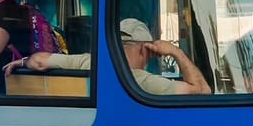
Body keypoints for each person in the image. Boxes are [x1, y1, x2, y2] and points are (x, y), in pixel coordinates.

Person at [14, 18, 210, 95]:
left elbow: (39, 60)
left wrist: (21, 61)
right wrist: (177, 53)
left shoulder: (88, 62)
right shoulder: (143, 82)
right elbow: (203, 92)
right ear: (146, 49)